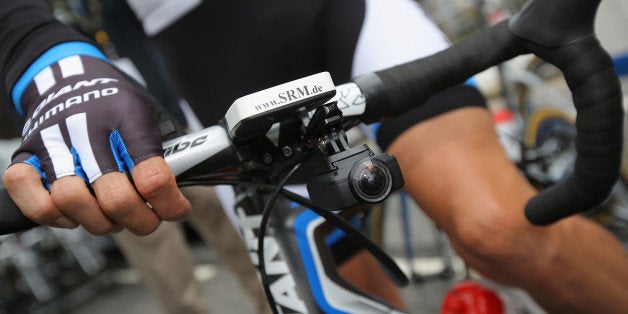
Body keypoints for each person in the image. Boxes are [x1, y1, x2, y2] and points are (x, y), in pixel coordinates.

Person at [0, 1, 627, 313]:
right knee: (332, 297)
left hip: (343, 12)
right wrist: (45, 58)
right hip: (201, 61)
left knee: (499, 230)